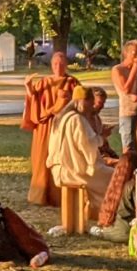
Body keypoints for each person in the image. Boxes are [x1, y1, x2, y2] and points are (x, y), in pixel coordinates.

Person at [48, 86, 109, 236]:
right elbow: (87, 144)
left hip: (59, 168)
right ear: (82, 101)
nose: (91, 106)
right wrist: (102, 137)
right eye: (90, 102)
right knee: (115, 179)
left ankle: (87, 218)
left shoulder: (61, 118)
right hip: (73, 171)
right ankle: (110, 216)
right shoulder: (77, 119)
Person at [21, 49, 73, 208]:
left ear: (66, 65)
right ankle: (40, 194)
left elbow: (78, 103)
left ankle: (58, 195)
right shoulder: (44, 82)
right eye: (56, 64)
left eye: (62, 64)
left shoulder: (72, 82)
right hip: (44, 126)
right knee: (41, 158)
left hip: (62, 126)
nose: (58, 67)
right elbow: (33, 98)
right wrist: (28, 87)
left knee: (60, 159)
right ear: (51, 65)